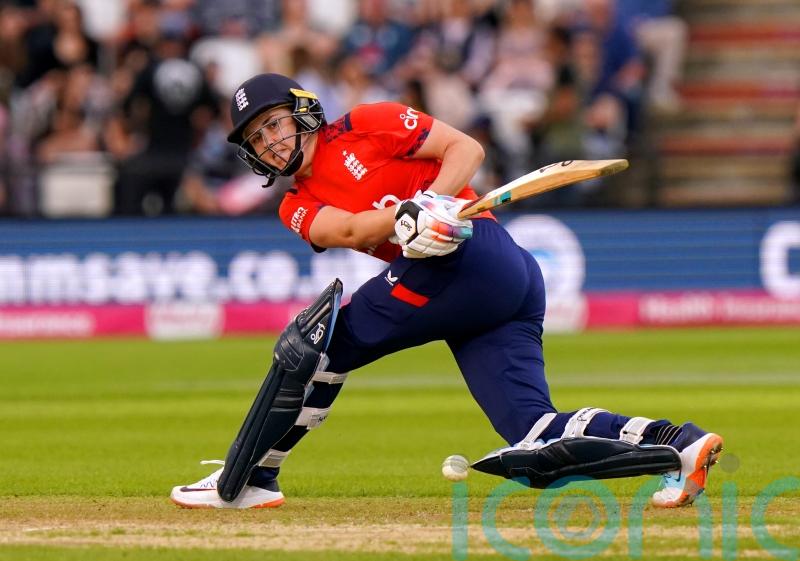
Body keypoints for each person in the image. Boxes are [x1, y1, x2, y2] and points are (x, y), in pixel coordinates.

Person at [170, 73, 723, 510]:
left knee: (319, 347)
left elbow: (466, 149)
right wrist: (404, 221)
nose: (270, 142)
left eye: (274, 125)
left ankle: (251, 477)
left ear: (302, 111)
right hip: (472, 285)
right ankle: (680, 443)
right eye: (257, 138)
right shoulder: (294, 204)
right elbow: (348, 230)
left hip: (473, 255)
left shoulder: (369, 121)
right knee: (534, 435)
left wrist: (433, 200)